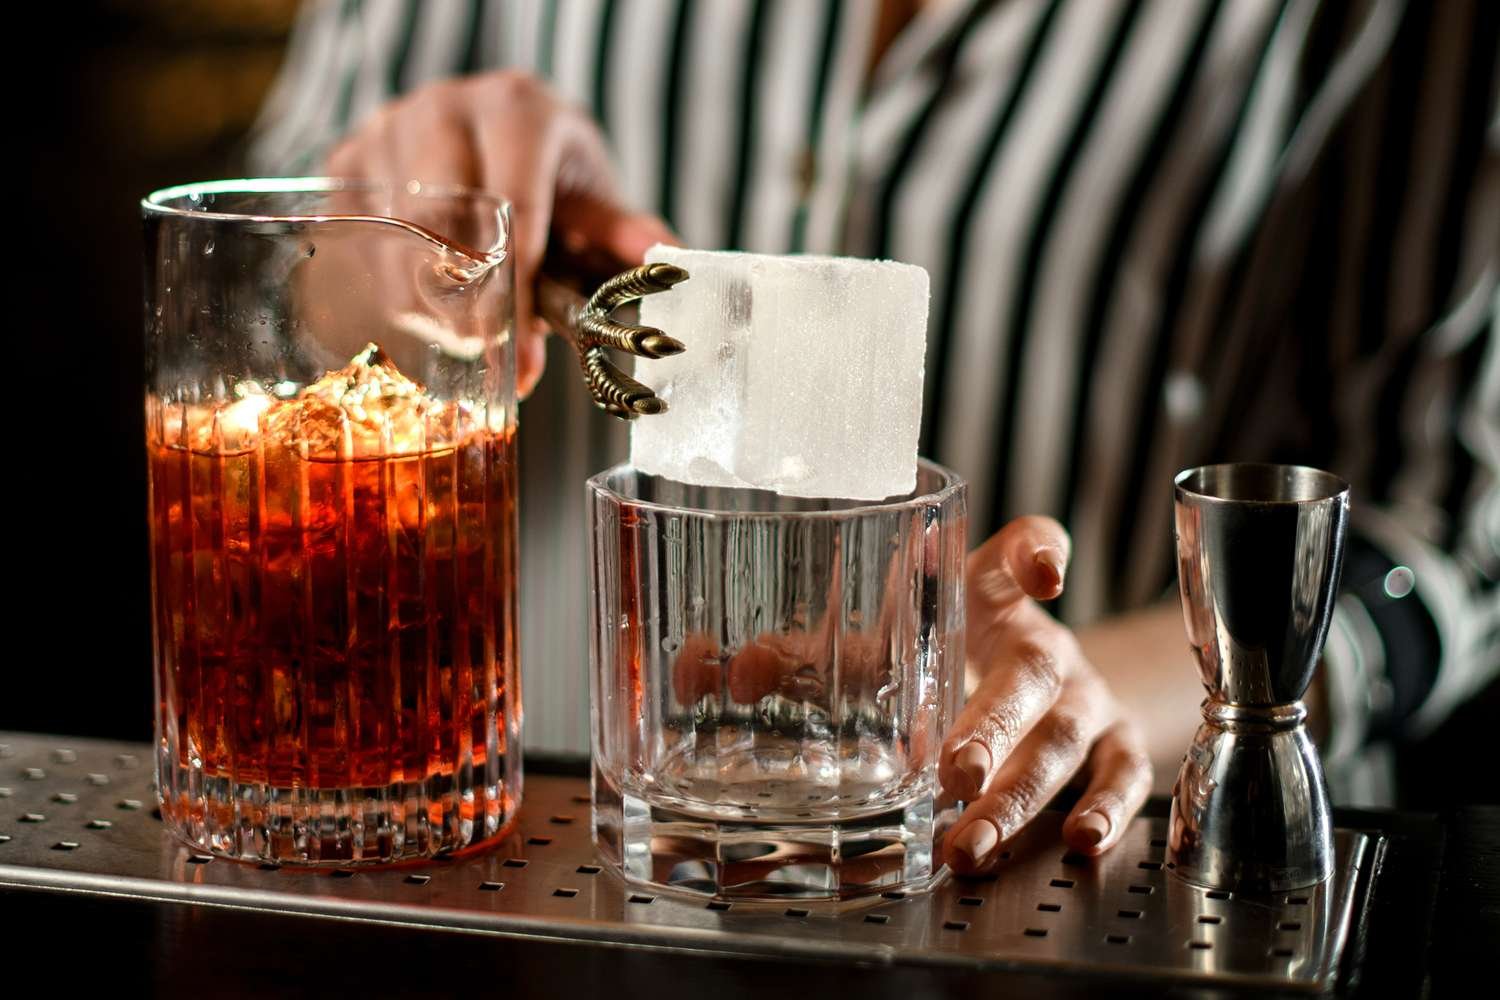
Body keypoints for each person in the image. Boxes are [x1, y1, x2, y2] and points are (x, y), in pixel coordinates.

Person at [247, 0, 1498, 872]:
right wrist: (383, 253)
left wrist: (1097, 686)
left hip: (1073, 874)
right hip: (541, 853)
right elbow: (255, 298)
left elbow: (1444, 525)